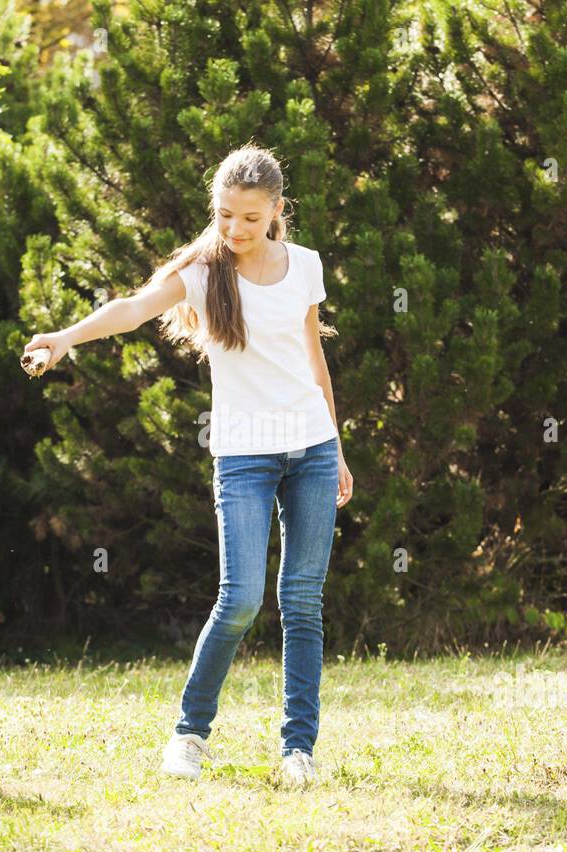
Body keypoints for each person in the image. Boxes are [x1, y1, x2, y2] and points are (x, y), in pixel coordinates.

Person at [23, 142, 353, 788]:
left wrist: (336, 446)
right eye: (225, 215)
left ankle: (298, 751)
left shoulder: (306, 267)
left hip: (311, 450)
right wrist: (64, 338)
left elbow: (316, 361)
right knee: (239, 600)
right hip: (244, 460)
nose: (235, 230)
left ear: (278, 212)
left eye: (250, 219)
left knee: (302, 602)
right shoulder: (206, 273)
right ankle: (189, 735)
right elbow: (133, 308)